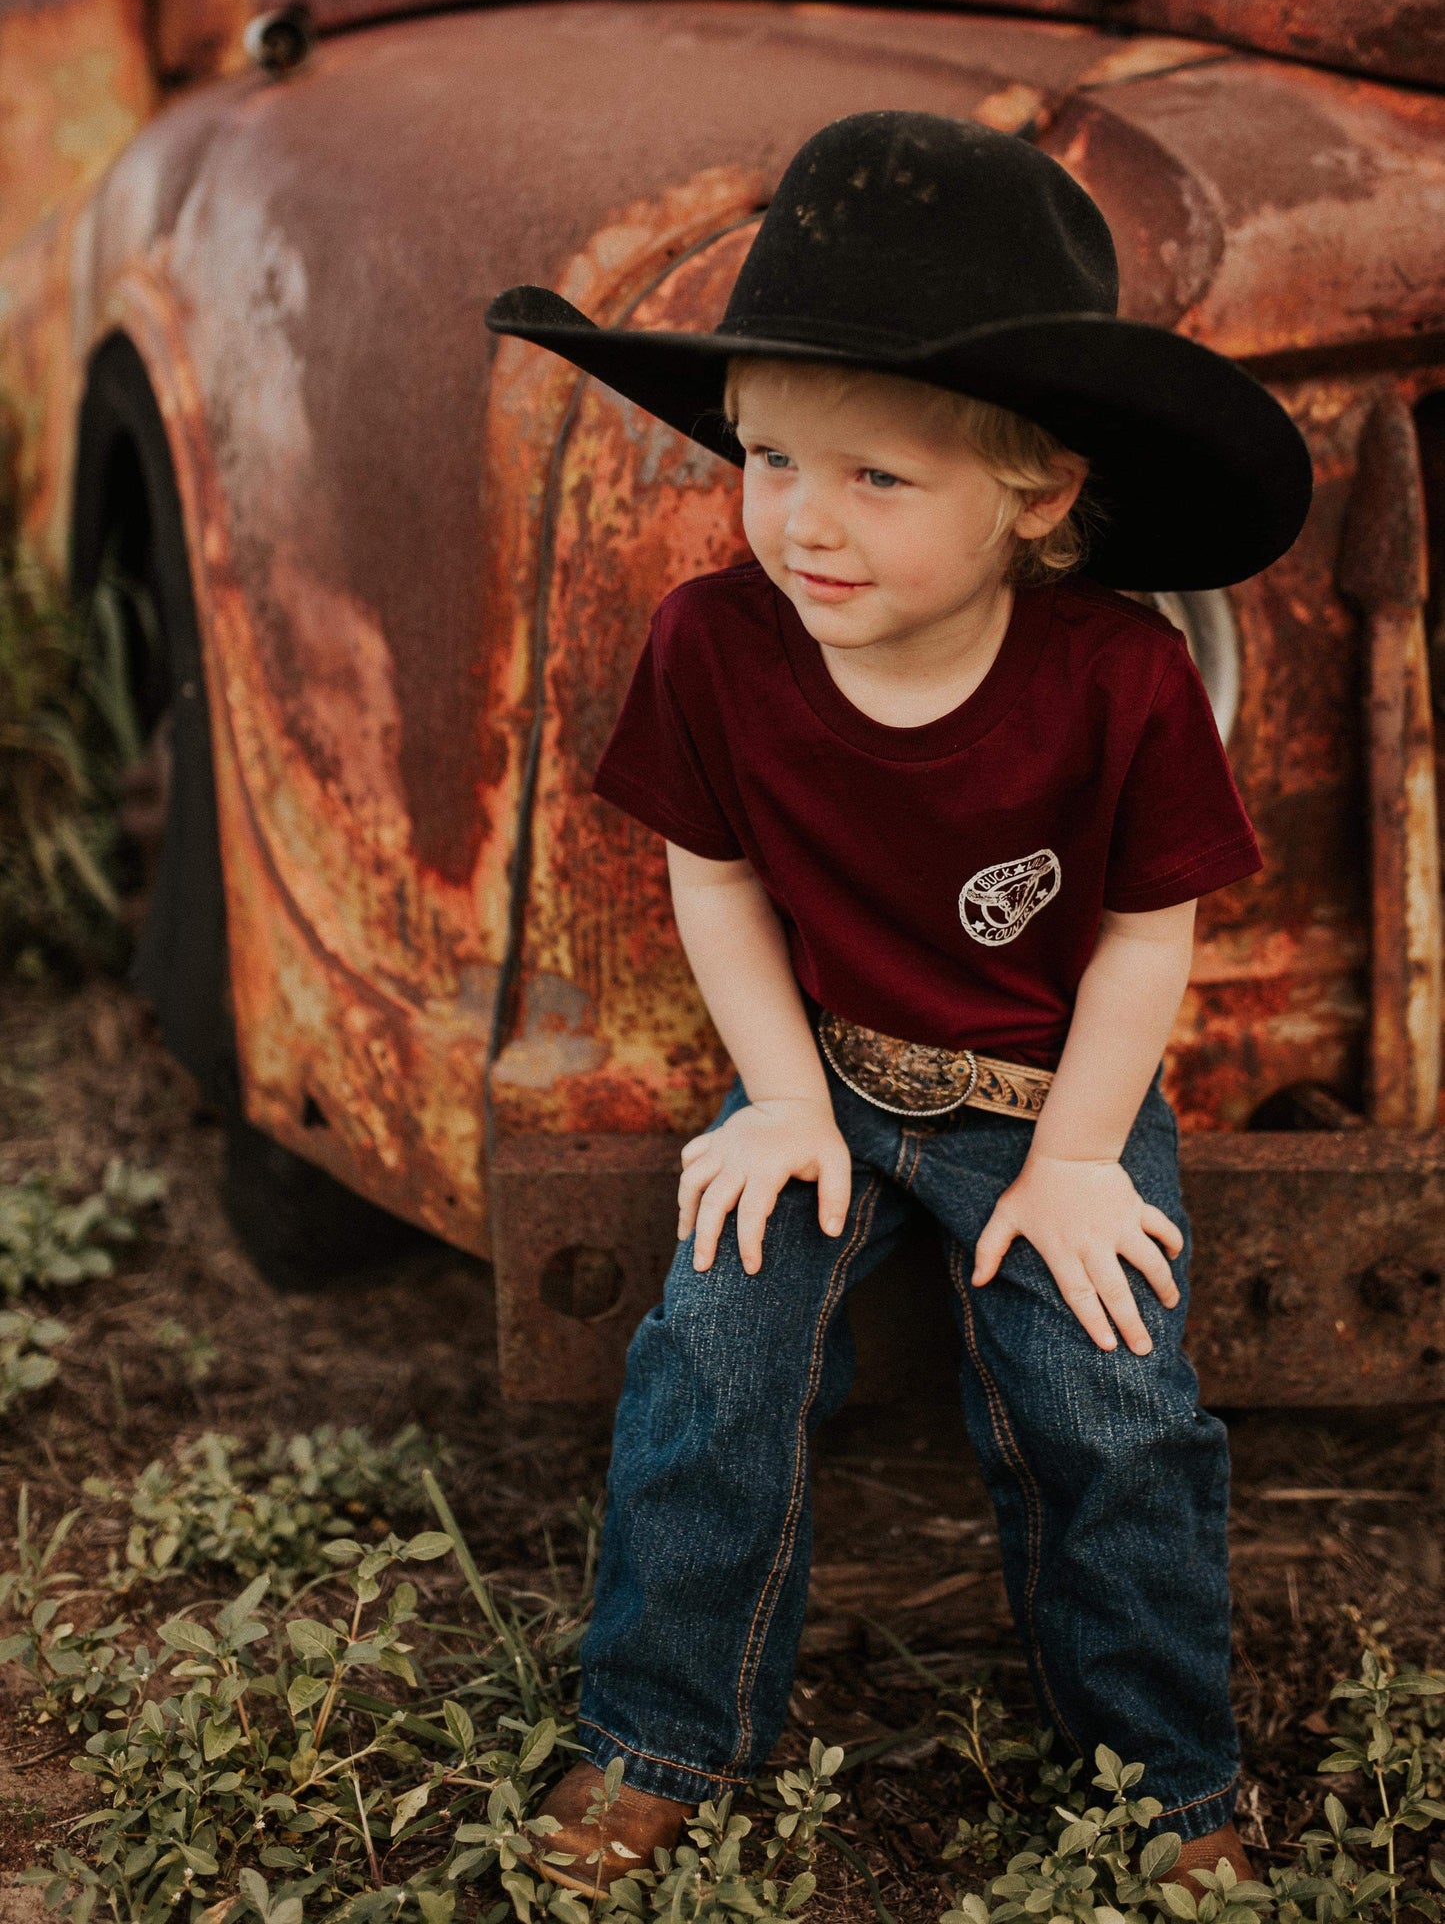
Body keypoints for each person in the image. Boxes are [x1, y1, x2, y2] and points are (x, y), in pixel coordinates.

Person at [485, 110, 1312, 1897]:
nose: (801, 519)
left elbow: (1141, 940)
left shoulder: (1119, 676)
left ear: (1038, 495)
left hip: (1048, 1095)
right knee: (712, 1350)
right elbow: (716, 881)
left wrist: (1083, 1158)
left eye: (876, 478)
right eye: (770, 459)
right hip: (830, 1073)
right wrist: (779, 1102)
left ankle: (1169, 1789)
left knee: (1112, 1402)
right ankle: (655, 1739)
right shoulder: (715, 644)